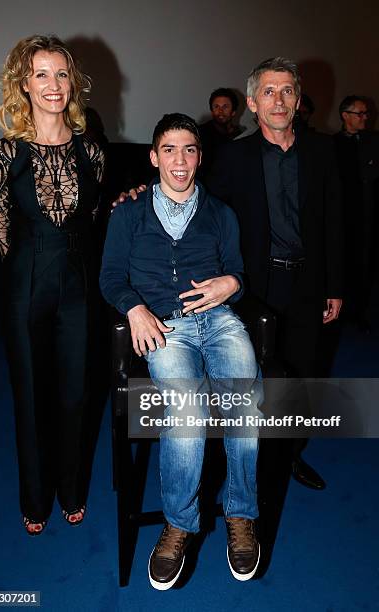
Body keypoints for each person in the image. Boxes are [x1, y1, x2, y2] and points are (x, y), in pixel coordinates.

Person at [100, 113, 262, 589]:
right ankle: (179, 523)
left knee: (244, 404)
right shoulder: (129, 212)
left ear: (199, 157)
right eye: (169, 149)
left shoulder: (220, 214)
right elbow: (110, 277)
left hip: (218, 321)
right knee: (186, 409)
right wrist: (133, 309)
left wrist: (232, 283)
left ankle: (241, 515)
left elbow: (237, 273)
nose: (179, 158)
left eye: (189, 149)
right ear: (153, 157)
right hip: (164, 326)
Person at [205, 57, 343, 490]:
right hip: (253, 286)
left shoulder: (324, 152)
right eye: (268, 91)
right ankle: (243, 461)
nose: (278, 100)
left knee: (302, 374)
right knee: (246, 378)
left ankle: (288, 456)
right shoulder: (231, 158)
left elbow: (338, 223)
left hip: (308, 282)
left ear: (298, 100)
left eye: (287, 91)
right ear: (252, 102)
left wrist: (335, 285)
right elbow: (204, 215)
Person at [0, 35, 104, 535]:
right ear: (23, 84)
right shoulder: (3, 155)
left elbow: (92, 222)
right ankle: (35, 499)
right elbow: (1, 233)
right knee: (31, 396)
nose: (53, 85)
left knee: (76, 394)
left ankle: (71, 489)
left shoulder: (92, 152)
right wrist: (30, 274)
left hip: (79, 288)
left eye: (61, 74)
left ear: (72, 83)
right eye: (41, 74)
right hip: (25, 286)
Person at [333, 96, 379, 331]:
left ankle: (358, 311)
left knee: (365, 263)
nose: (364, 118)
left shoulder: (373, 141)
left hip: (368, 214)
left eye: (366, 113)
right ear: (345, 115)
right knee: (343, 262)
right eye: (359, 113)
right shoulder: (332, 144)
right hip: (343, 216)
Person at [199, 88, 243, 173]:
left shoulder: (240, 135)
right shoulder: (201, 133)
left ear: (233, 111)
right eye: (216, 106)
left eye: (225, 107)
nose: (220, 111)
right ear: (211, 111)